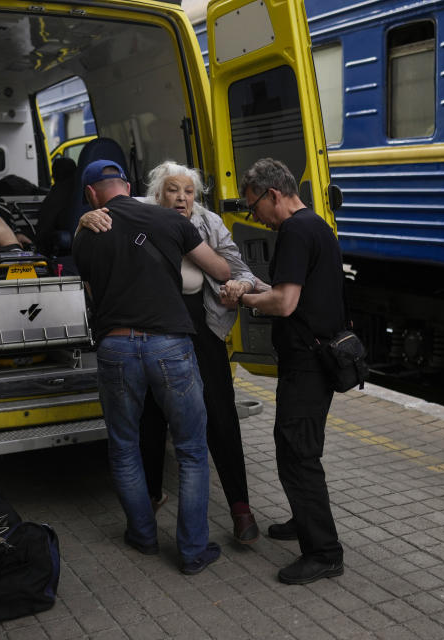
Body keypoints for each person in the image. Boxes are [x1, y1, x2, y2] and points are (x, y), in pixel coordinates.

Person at [78, 160, 262, 545]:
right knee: (150, 419)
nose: (182, 198)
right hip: (156, 332)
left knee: (220, 416)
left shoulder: (208, 223)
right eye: (173, 190)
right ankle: (153, 499)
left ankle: (240, 508)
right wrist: (84, 220)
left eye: (189, 191)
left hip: (200, 326)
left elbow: (236, 270)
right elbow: (100, 232)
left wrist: (238, 288)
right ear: (156, 193)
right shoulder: (132, 214)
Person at [222, 158, 345, 585]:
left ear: (273, 194)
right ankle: (303, 519)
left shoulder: (293, 230)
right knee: (293, 444)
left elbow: (285, 303)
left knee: (299, 454)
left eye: (253, 206)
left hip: (308, 364)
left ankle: (324, 553)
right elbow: (291, 290)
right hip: (317, 358)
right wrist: (256, 286)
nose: (253, 216)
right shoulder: (315, 225)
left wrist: (244, 300)